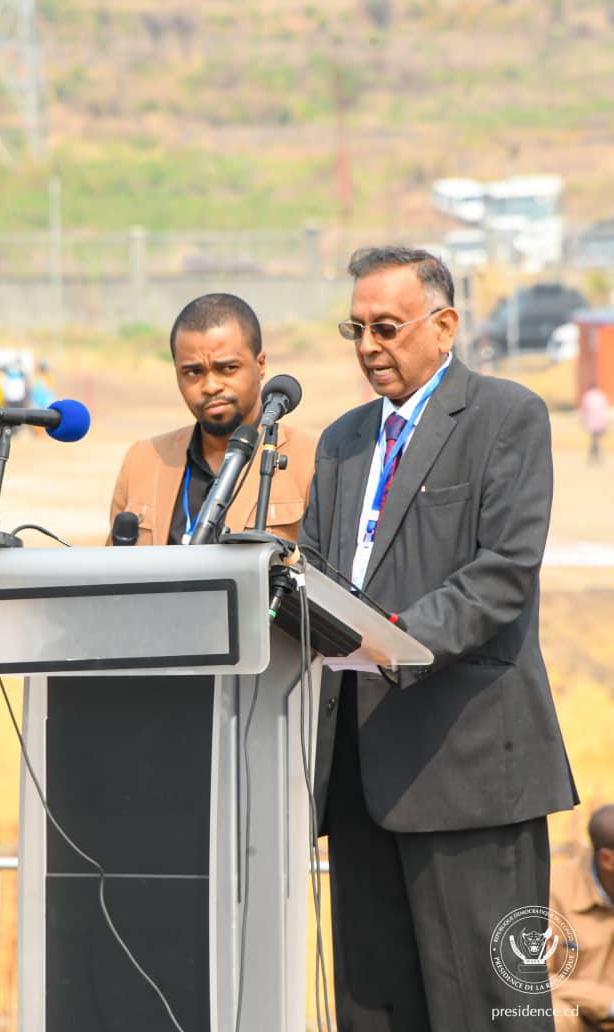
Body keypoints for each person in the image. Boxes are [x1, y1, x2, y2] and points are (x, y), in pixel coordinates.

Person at [299, 246, 579, 1032]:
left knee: (489, 1012)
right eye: (355, 328)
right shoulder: (342, 439)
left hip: (467, 772)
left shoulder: (504, 415)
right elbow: (320, 572)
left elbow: (503, 573)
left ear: (443, 324)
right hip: (358, 774)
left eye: (385, 327)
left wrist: (389, 642)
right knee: (374, 1009)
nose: (367, 346)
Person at [109, 293, 316, 544]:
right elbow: (114, 574)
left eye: (227, 368)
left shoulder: (312, 462)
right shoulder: (142, 460)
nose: (210, 386)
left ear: (260, 364)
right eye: (193, 372)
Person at [549, 805, 614, 1031]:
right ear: (608, 860)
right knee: (552, 1017)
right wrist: (607, 1003)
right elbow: (534, 978)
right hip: (577, 1017)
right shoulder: (554, 889)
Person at [580, 385, 609, 464]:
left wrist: (583, 421)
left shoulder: (587, 396)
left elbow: (584, 410)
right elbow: (604, 409)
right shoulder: (601, 395)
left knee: (594, 440)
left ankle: (592, 457)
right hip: (600, 422)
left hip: (591, 422)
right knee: (596, 440)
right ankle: (597, 457)